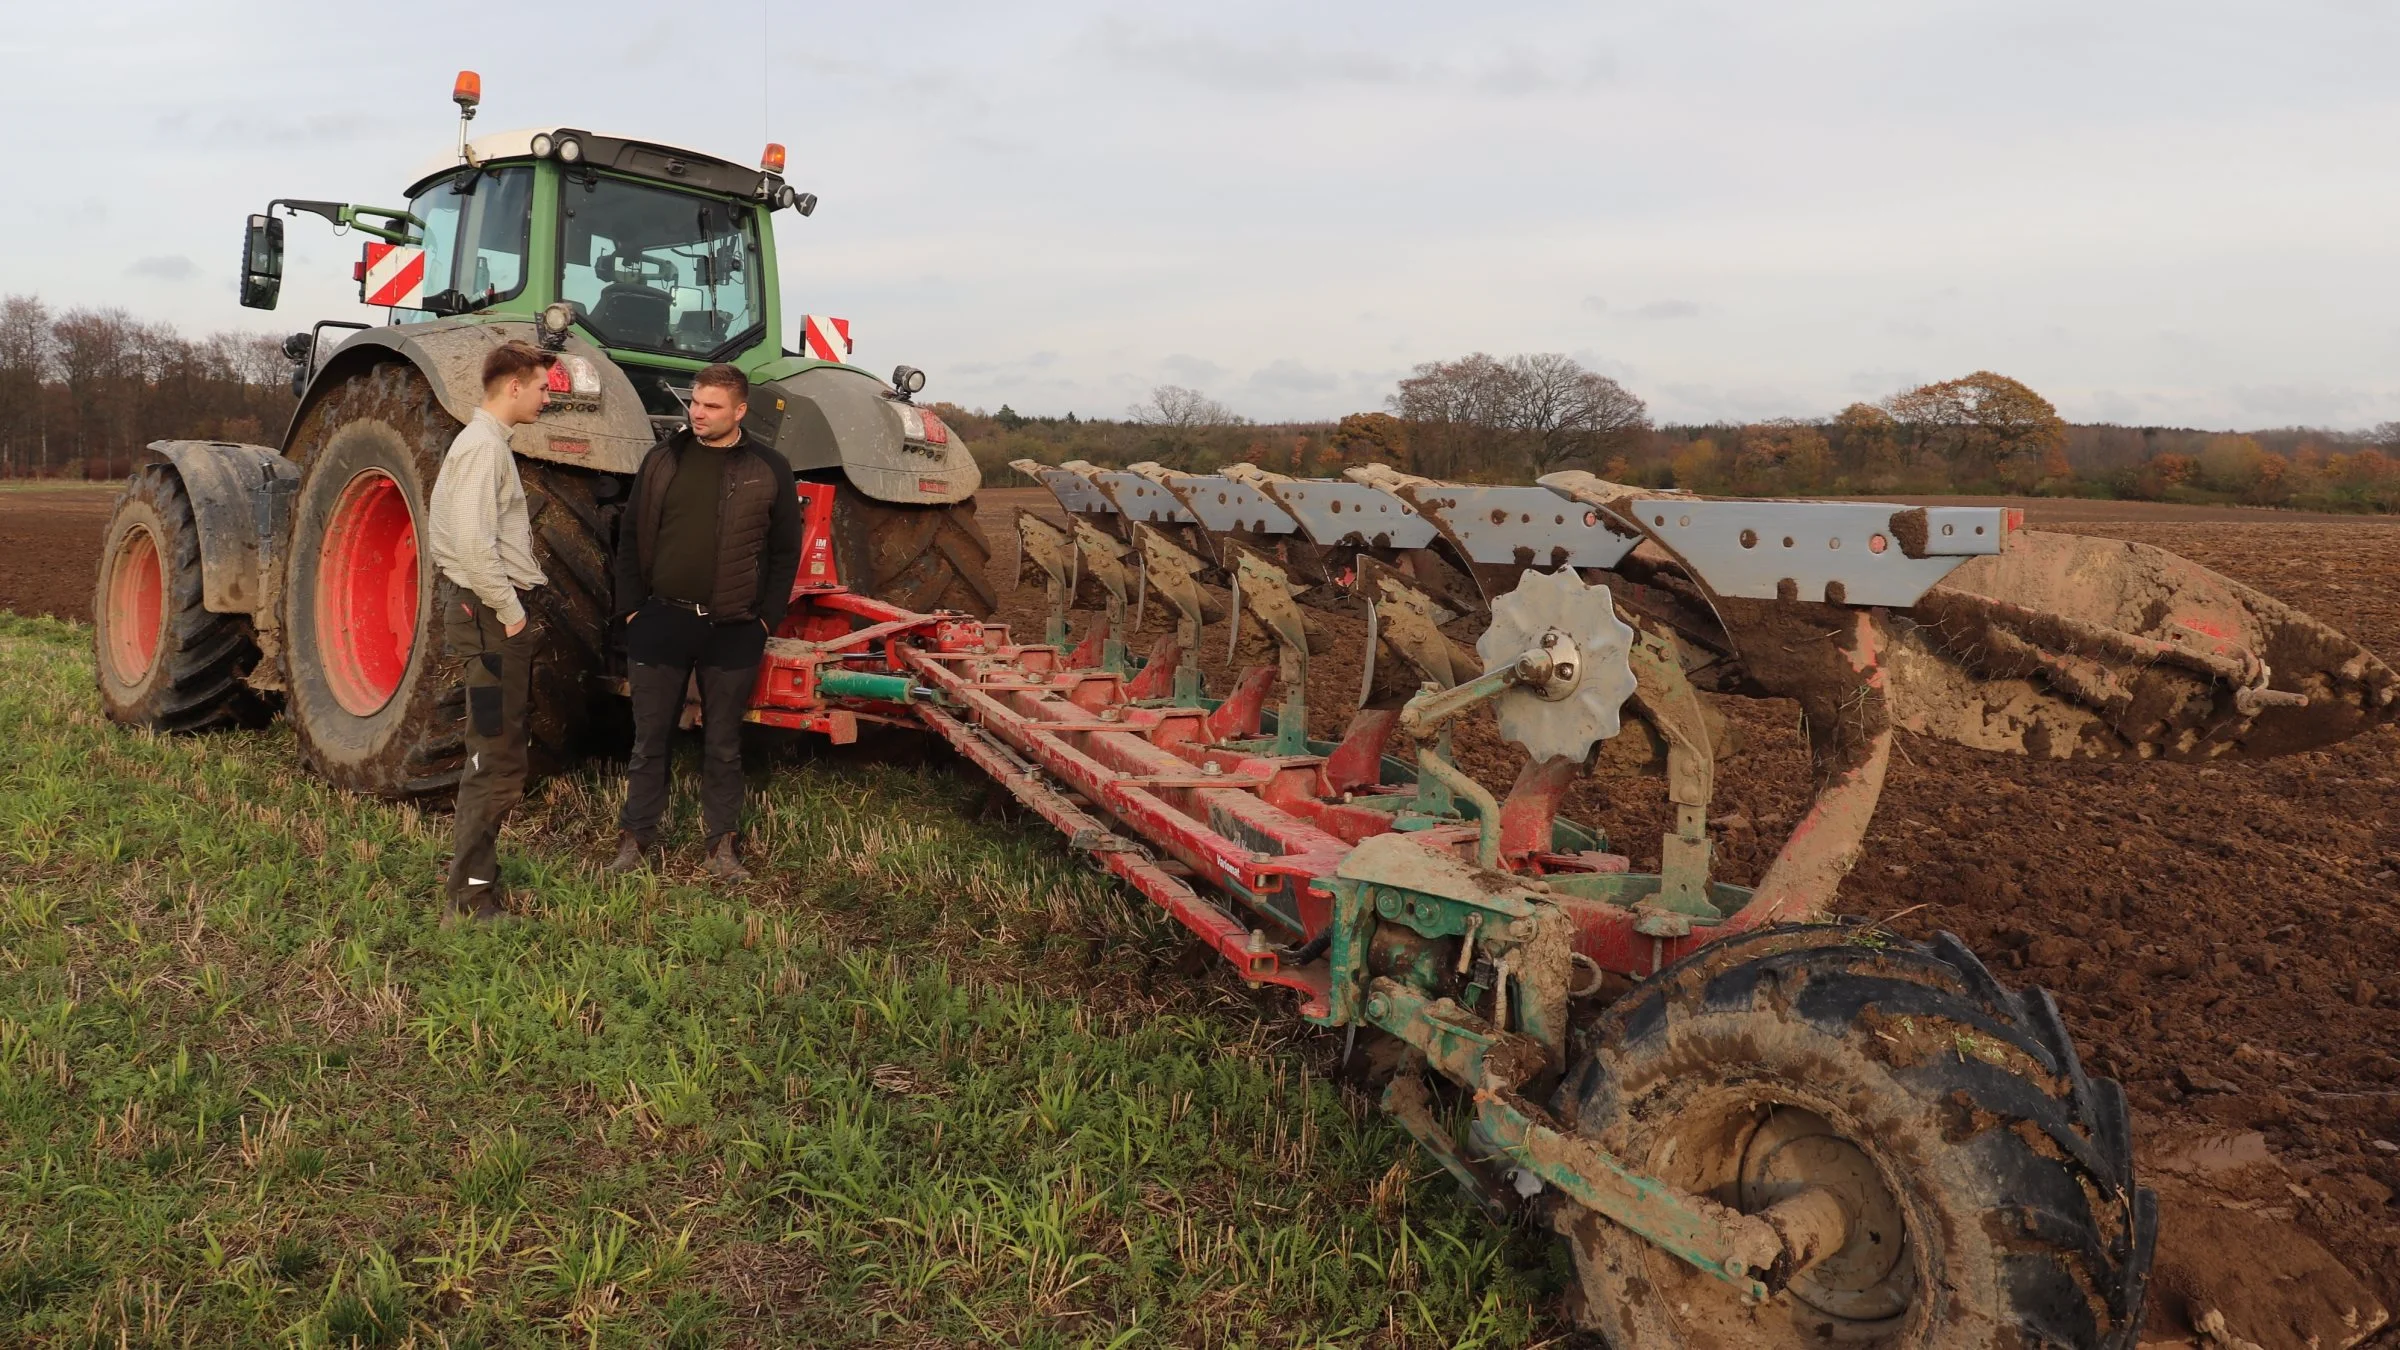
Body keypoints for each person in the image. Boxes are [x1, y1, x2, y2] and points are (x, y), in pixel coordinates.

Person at [607, 363, 801, 882]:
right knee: (649, 742)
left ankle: (721, 847)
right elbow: (629, 540)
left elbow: (786, 554)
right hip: (659, 620)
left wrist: (765, 621)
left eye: (711, 406)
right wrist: (632, 609)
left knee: (722, 744)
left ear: (739, 411)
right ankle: (635, 838)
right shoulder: (661, 460)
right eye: (695, 402)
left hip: (733, 630)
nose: (697, 413)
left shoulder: (770, 468)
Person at [426, 339, 555, 922]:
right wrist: (511, 611)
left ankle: (474, 884)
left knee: (494, 753)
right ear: (513, 386)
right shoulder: (484, 449)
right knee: (494, 760)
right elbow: (475, 547)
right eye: (542, 386)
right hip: (490, 622)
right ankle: (472, 897)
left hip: (484, 618)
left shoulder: (481, 445)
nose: (546, 397)